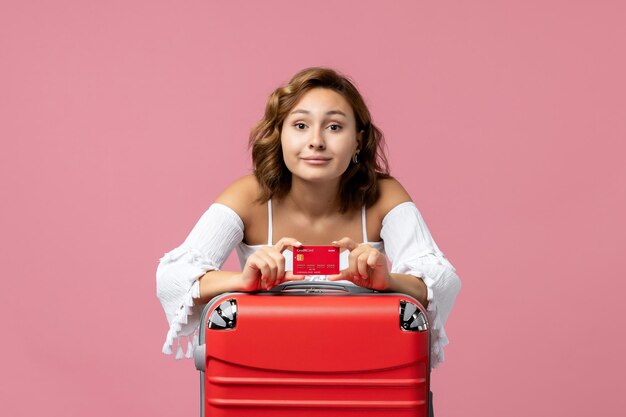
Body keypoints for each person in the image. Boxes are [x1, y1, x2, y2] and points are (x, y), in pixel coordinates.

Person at [156, 67, 461, 368]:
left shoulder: (384, 195)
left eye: (334, 127)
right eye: (301, 125)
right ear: (280, 135)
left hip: (363, 366)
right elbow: (172, 276)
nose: (316, 141)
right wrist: (241, 281)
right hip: (266, 364)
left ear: (357, 140)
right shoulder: (248, 196)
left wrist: (389, 281)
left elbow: (442, 278)